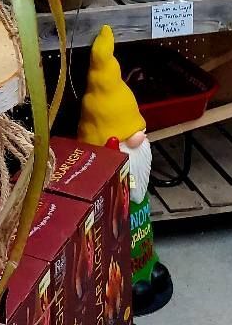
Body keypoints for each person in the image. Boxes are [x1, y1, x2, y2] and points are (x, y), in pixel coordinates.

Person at [78, 25, 173, 316]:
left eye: (139, 130)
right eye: (128, 137)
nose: (140, 139)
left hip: (143, 249)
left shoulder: (137, 180)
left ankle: (148, 268)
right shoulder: (109, 192)